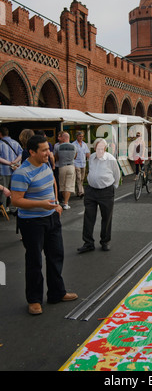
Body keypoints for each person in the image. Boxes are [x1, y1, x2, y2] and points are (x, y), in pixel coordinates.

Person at [10, 135, 78, 315]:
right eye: (44, 150)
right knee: (34, 261)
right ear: (32, 152)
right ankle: (34, 300)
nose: (49, 152)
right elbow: (16, 201)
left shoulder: (45, 163)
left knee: (56, 255)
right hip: (32, 222)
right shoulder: (22, 173)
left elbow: (53, 181)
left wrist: (56, 203)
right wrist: (41, 204)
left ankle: (57, 292)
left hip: (51, 217)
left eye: (48, 148)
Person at [77, 138, 120, 253]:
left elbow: (117, 174)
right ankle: (88, 243)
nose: (99, 150)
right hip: (91, 191)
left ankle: (105, 241)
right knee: (88, 217)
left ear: (105, 149)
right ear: (95, 148)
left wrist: (112, 187)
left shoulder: (110, 159)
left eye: (102, 148)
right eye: (97, 148)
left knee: (106, 217)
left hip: (106, 191)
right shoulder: (91, 157)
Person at [0, 126, 23, 211]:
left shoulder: (0, 143)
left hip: (3, 170)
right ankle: (13, 207)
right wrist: (14, 162)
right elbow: (21, 154)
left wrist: (8, 162)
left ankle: (4, 208)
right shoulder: (15, 142)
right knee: (14, 189)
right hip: (14, 169)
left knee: (4, 189)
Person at [54, 132, 76, 210]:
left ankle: (64, 202)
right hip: (71, 166)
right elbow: (75, 156)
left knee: (62, 185)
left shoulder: (58, 147)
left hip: (62, 166)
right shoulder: (74, 146)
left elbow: (56, 157)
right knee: (69, 185)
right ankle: (66, 203)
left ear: (63, 138)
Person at [72, 131, 90, 198]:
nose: (81, 137)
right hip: (76, 163)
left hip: (83, 163)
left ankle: (78, 192)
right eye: (80, 136)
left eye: (82, 136)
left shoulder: (84, 144)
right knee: (78, 178)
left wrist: (91, 160)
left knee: (82, 178)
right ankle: (81, 192)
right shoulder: (73, 144)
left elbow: (87, 153)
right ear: (77, 136)